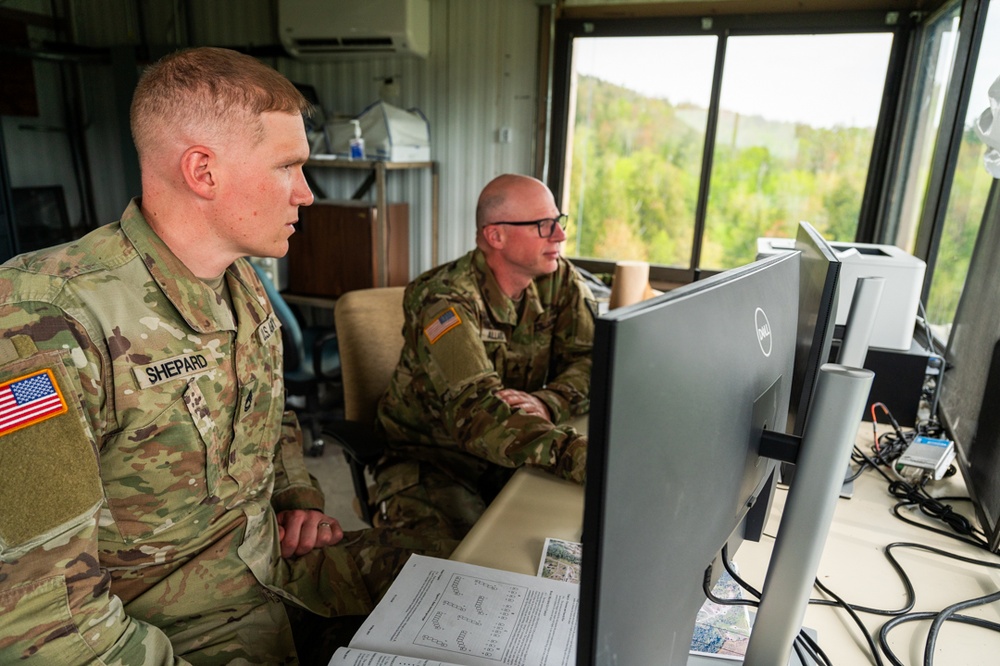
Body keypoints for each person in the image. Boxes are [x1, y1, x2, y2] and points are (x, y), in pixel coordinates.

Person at [0, 47, 454, 665]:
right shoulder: (45, 321)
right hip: (169, 625)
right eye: (288, 166)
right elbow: (42, 622)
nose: (307, 194)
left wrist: (299, 499)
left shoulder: (240, 283)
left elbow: (271, 418)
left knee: (466, 578)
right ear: (203, 171)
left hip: (272, 567)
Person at [374, 173, 595, 539]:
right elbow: (474, 412)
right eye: (544, 225)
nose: (560, 235)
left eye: (559, 221)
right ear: (496, 236)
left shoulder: (558, 280)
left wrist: (550, 400)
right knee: (461, 564)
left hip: (509, 448)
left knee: (565, 533)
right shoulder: (445, 299)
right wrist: (579, 455)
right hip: (435, 459)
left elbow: (591, 360)